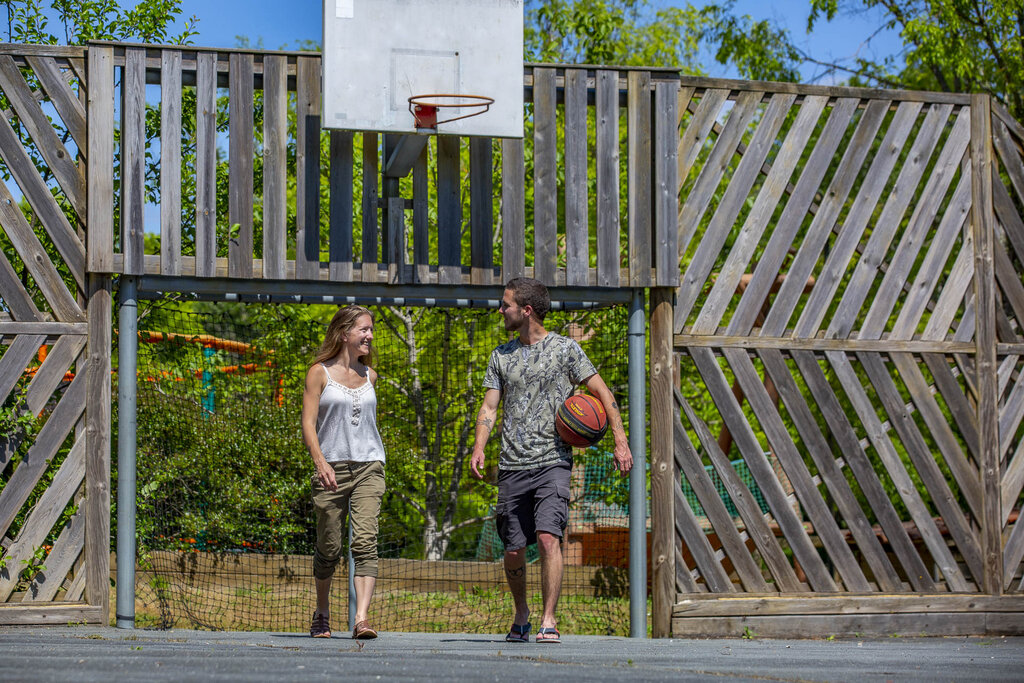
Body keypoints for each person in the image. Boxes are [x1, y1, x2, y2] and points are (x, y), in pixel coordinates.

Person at [470, 277, 633, 644]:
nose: (500, 310)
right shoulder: (501, 355)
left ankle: (549, 619)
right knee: (513, 548)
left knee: (548, 538)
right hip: (511, 465)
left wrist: (620, 442)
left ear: (526, 310)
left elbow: (603, 392)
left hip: (553, 462)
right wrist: (479, 446)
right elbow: (489, 407)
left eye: (506, 304)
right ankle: (522, 614)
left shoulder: (566, 350)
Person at [301, 305, 386, 640]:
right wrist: (320, 463)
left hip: (369, 466)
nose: (370, 336)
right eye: (364, 329)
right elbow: (308, 424)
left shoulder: (370, 376)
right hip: (331, 468)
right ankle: (322, 612)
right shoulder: (318, 373)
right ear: (344, 333)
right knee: (330, 546)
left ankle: (361, 619)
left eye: (371, 330)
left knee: (365, 541)